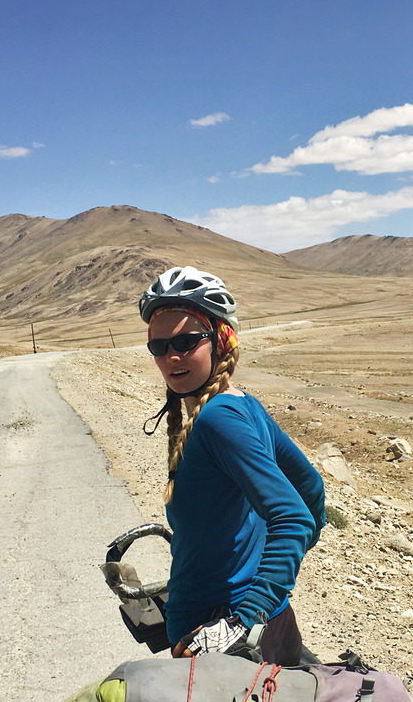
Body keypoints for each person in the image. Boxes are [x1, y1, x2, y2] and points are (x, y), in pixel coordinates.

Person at [139, 266, 324, 666]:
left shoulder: (218, 418)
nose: (172, 356)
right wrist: (259, 582)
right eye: (159, 346)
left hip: (223, 643)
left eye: (187, 341)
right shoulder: (243, 404)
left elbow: (295, 518)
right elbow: (311, 491)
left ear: (221, 340)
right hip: (263, 627)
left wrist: (244, 618)